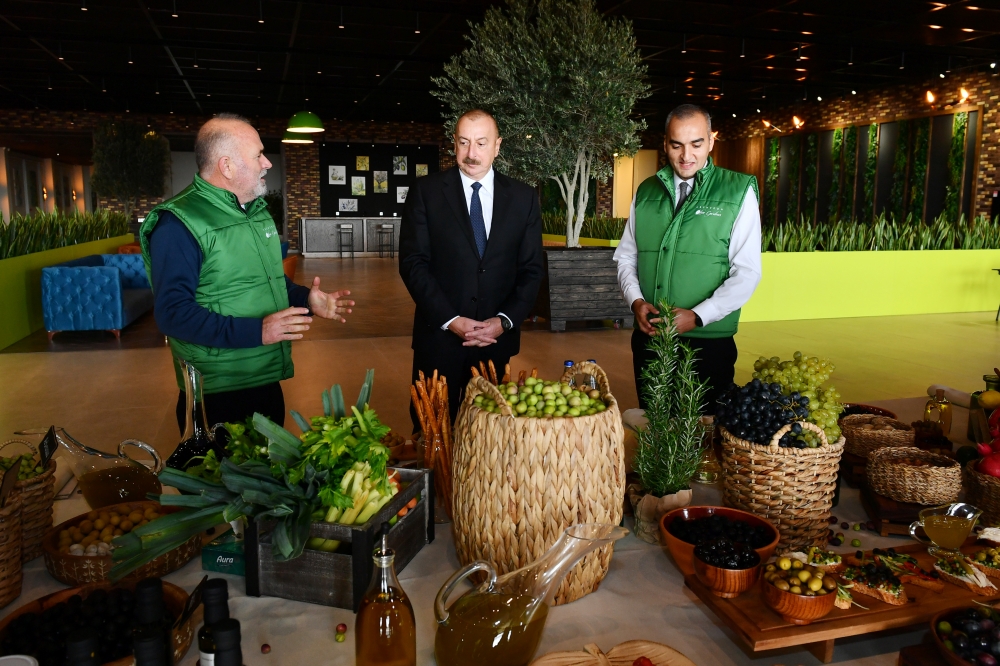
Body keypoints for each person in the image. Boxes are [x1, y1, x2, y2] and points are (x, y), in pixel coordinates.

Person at [139, 113, 355, 432]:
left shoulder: (255, 213)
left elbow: (268, 283)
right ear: (226, 166)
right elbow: (172, 314)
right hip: (217, 392)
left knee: (270, 463)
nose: (267, 163)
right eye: (258, 155)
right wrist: (258, 331)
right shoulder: (178, 223)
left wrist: (306, 300)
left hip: (265, 376)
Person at [614, 104, 762, 414]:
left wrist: (697, 316)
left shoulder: (737, 191)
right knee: (654, 427)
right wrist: (636, 302)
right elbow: (627, 256)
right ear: (665, 144)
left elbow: (747, 272)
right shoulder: (646, 191)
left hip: (709, 343)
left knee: (704, 433)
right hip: (651, 337)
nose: (686, 155)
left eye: (696, 144)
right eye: (676, 145)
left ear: (711, 141)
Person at [399, 109, 544, 425]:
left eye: (481, 143)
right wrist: (450, 320)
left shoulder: (524, 198)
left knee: (490, 435)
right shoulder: (426, 192)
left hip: (496, 342)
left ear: (497, 145)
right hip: (438, 341)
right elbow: (413, 264)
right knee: (433, 431)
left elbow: (532, 269)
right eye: (464, 142)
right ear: (454, 143)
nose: (471, 153)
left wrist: (504, 321)